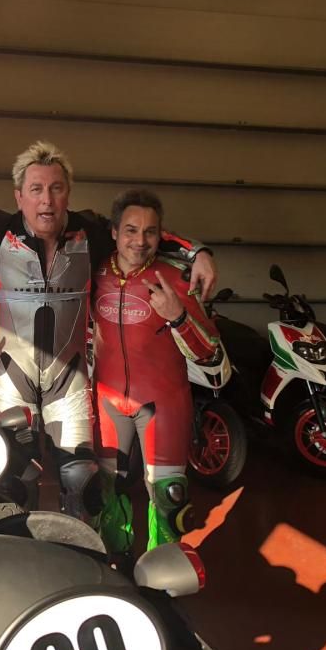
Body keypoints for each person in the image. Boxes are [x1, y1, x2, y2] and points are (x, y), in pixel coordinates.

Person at [0, 141, 217, 519]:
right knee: (17, 478)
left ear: (68, 194)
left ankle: (82, 551)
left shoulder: (91, 231)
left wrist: (197, 252)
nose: (46, 200)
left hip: (69, 381)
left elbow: (140, 233)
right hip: (10, 380)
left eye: (56, 189)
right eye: (36, 189)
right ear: (19, 196)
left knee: (82, 480)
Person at [92, 189, 219, 555]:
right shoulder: (94, 271)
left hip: (164, 402)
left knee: (168, 496)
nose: (140, 241)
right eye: (131, 230)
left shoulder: (176, 278)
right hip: (107, 400)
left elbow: (209, 352)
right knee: (106, 489)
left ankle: (161, 573)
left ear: (161, 235)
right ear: (114, 232)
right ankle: (113, 564)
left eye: (150, 232)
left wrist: (178, 316)